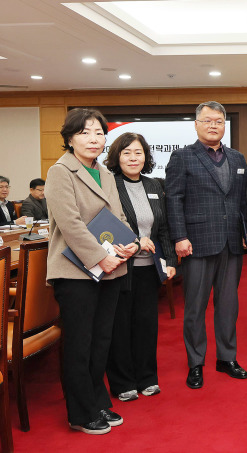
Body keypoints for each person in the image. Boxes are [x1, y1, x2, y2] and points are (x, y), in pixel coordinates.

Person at [45, 108, 139, 435]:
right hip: (75, 272)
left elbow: (120, 218)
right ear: (70, 138)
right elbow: (70, 223)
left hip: (110, 269)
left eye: (99, 132)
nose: (93, 138)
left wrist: (130, 244)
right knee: (79, 344)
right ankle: (81, 412)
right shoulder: (60, 171)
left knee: (101, 341)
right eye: (84, 132)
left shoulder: (105, 173)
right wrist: (100, 257)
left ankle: (98, 401)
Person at [165, 101, 247, 389]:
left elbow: (242, 200)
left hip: (231, 242)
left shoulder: (237, 158)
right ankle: (196, 362)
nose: (213, 125)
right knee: (195, 307)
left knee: (228, 305)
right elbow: (173, 199)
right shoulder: (182, 157)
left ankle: (227, 358)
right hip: (196, 243)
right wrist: (179, 237)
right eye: (207, 120)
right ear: (196, 125)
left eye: (218, 121)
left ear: (224, 125)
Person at [103, 132, 178, 401]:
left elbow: (164, 227)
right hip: (119, 267)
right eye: (127, 153)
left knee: (146, 325)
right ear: (117, 156)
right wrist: (134, 241)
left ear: (146, 156)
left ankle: (147, 377)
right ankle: (123, 382)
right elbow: (105, 224)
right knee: (120, 326)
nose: (133, 158)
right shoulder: (110, 185)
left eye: (138, 152)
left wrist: (170, 261)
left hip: (148, 268)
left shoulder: (154, 185)